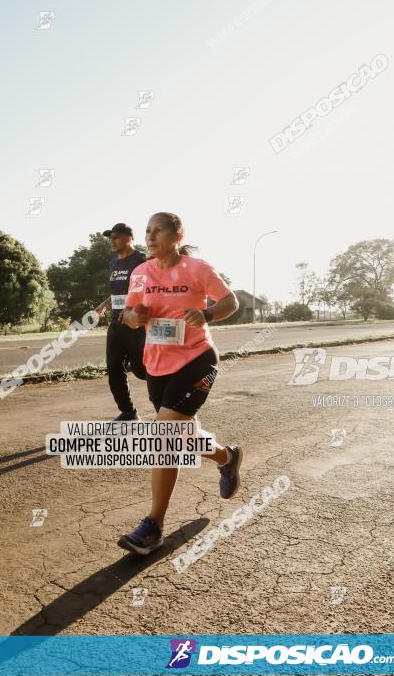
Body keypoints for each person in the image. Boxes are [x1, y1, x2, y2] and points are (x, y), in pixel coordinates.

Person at [117, 212, 241, 555]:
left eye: (158, 231)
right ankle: (227, 457)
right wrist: (135, 316)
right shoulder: (141, 273)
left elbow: (231, 301)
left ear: (177, 235)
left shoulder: (198, 269)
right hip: (157, 366)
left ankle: (152, 527)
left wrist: (208, 315)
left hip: (197, 359)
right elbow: (128, 314)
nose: (150, 237)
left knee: (166, 436)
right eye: (147, 231)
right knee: (183, 435)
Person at [95, 223, 147, 421]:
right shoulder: (113, 263)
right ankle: (128, 411)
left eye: (116, 237)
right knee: (114, 368)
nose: (112, 241)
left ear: (129, 237)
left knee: (142, 370)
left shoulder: (141, 260)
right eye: (110, 238)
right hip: (116, 324)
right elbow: (117, 292)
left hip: (137, 325)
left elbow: (146, 291)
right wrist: (105, 304)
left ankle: (164, 406)